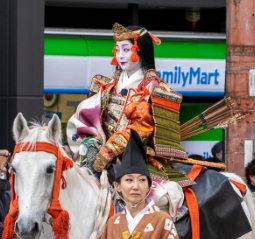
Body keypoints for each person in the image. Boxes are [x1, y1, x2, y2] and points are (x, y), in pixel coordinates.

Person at [67, 22, 196, 187]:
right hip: (99, 157)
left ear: (141, 50)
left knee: (160, 197)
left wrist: (107, 151)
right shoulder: (107, 87)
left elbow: (141, 128)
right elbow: (87, 119)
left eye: (126, 50)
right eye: (117, 49)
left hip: (138, 160)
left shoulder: (152, 88)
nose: (120, 56)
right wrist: (90, 144)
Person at [59, 130, 183, 239]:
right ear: (117, 186)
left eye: (141, 180)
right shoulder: (114, 222)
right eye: (129, 180)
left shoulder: (163, 221)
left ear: (148, 187)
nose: (135, 186)